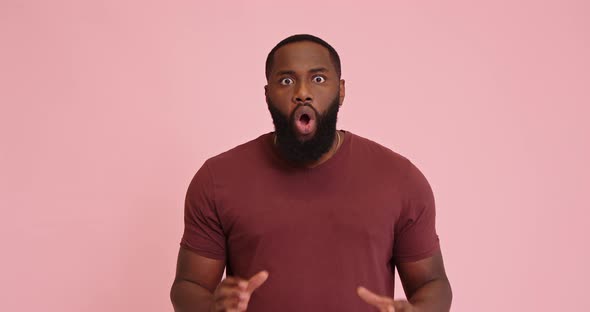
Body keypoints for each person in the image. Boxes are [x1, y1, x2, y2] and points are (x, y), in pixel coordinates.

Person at [170, 34, 452, 312]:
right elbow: (188, 285)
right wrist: (212, 308)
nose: (302, 92)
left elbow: (433, 283)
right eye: (286, 80)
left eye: (318, 79)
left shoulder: (400, 179)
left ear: (340, 90)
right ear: (267, 94)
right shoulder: (217, 179)